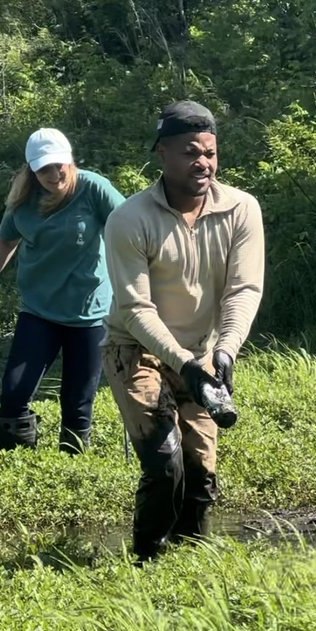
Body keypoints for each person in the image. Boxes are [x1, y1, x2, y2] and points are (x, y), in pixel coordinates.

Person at [103, 101, 264, 562]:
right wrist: (183, 364)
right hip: (135, 348)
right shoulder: (130, 219)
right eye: (191, 152)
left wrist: (225, 352)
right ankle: (146, 560)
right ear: (162, 153)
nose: (204, 163)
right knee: (165, 458)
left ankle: (189, 561)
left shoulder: (241, 209)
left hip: (203, 352)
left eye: (211, 153)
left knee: (200, 470)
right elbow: (135, 309)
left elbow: (244, 288)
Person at [0, 128, 124, 453]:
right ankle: (17, 461)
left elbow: (130, 225)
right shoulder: (23, 201)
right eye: (43, 169)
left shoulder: (93, 188)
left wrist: (140, 280)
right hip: (40, 311)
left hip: (90, 313)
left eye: (58, 166)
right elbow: (6, 240)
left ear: (70, 160)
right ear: (32, 170)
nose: (53, 175)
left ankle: (73, 464)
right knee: (13, 392)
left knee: (78, 401)